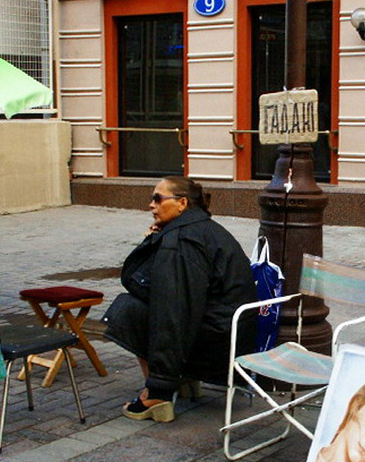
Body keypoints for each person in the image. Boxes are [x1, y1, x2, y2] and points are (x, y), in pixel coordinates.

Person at [102, 176, 257, 423]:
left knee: (128, 310)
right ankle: (183, 380)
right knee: (138, 303)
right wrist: (152, 241)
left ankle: (157, 397)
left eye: (157, 198)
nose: (151, 205)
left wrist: (159, 383)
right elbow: (148, 285)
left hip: (217, 346)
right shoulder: (196, 229)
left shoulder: (182, 241)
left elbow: (174, 312)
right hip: (228, 334)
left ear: (182, 203)